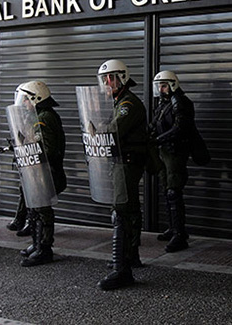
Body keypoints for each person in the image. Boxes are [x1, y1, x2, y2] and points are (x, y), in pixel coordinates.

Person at [96, 59, 147, 291]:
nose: (107, 82)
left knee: (121, 212)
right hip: (123, 162)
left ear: (123, 78)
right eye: (105, 79)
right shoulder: (120, 102)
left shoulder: (128, 104)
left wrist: (95, 130)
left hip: (127, 163)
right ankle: (130, 255)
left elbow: (114, 129)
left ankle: (121, 269)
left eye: (111, 78)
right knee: (130, 209)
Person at [13, 81, 66, 267]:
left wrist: (29, 147)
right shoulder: (40, 116)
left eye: (26, 99)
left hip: (46, 173)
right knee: (35, 209)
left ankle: (44, 248)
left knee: (43, 210)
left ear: (36, 98)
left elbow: (49, 149)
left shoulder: (44, 118)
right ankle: (36, 243)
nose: (25, 104)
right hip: (38, 172)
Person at [149, 70, 194, 252]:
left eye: (164, 85)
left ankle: (180, 235)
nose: (161, 89)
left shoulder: (180, 103)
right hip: (164, 152)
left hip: (175, 152)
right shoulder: (163, 104)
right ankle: (173, 228)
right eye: (159, 85)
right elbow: (155, 124)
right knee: (167, 190)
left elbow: (180, 127)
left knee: (173, 192)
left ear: (173, 85)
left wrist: (158, 140)